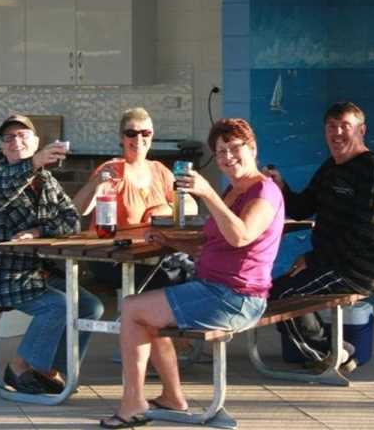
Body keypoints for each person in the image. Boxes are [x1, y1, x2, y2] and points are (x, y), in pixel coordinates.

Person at [100, 118, 284, 428]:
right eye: (220, 151)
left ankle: (132, 404)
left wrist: (208, 194)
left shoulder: (263, 190)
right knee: (146, 311)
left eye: (234, 148)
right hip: (217, 289)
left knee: (132, 308)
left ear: (252, 148)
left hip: (235, 297)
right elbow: (211, 245)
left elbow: (241, 236)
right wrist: (170, 241)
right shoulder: (234, 191)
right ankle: (172, 397)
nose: (227, 157)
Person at [0, 114, 104, 395]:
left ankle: (48, 370)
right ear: (1, 147)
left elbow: (71, 220)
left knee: (90, 306)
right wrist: (33, 164)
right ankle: (19, 366)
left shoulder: (47, 181)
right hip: (0, 276)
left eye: (22, 136)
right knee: (57, 306)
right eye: (8, 137)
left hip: (35, 273)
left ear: (35, 143)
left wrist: (37, 231)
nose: (15, 141)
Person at [264, 101, 374, 370]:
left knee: (279, 296)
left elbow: (365, 233)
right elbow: (302, 207)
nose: (337, 133)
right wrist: (281, 186)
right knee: (271, 292)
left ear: (362, 130)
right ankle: (330, 349)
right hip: (329, 263)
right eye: (331, 127)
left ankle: (334, 352)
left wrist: (313, 259)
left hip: (356, 270)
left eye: (344, 126)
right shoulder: (331, 167)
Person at [74, 107, 176, 290]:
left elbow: (189, 206)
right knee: (162, 281)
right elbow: (79, 210)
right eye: (131, 133)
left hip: (149, 254)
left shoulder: (159, 170)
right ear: (122, 138)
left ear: (152, 136)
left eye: (145, 133)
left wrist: (164, 210)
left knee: (188, 273)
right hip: (111, 256)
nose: (138, 139)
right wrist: (96, 183)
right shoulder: (112, 170)